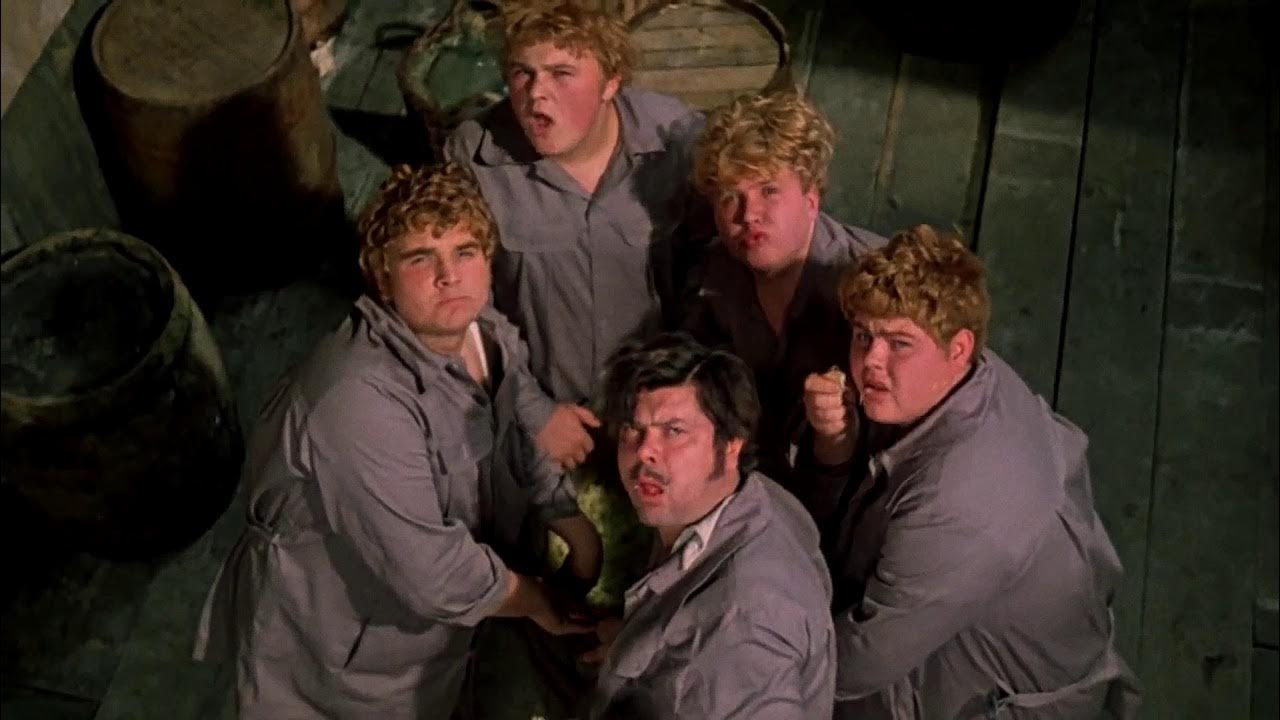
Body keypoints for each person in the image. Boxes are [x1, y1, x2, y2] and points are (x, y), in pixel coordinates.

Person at [192, 162, 601, 718]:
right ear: (382, 281)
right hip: (355, 659)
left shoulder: (485, 333)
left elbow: (517, 427)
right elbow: (433, 571)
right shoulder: (358, 403)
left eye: (465, 251)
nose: (449, 275)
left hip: (438, 638)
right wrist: (536, 600)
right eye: (420, 259)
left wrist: (570, 522)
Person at [801, 225, 1141, 718]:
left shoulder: (962, 498)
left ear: (958, 348)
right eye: (863, 336)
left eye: (899, 343)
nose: (870, 360)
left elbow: (861, 660)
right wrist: (834, 445)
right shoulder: (956, 378)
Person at [445, 1, 711, 470]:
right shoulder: (476, 157)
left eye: (561, 73)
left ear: (611, 82)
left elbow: (714, 267)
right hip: (545, 422)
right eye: (522, 73)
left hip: (662, 411)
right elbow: (463, 303)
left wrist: (683, 391)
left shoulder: (674, 139)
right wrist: (533, 410)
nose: (536, 94)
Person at [586, 332, 836, 719]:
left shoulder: (745, 623)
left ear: (731, 445)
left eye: (674, 431)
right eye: (633, 429)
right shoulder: (743, 500)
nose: (645, 450)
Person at [686, 91, 885, 490]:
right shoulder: (715, 275)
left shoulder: (872, 281)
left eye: (768, 190)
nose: (748, 215)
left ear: (811, 198)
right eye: (730, 197)